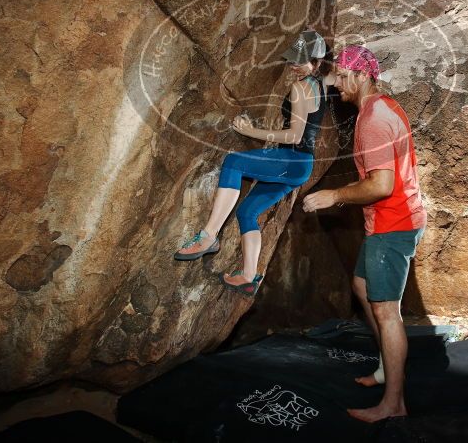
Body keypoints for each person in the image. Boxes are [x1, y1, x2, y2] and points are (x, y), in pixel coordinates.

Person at [302, 45, 427, 423]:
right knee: (361, 286)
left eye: (340, 76)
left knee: (387, 313)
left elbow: (380, 185)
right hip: (391, 221)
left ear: (360, 75)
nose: (336, 84)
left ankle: (394, 405)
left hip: (393, 224)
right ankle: (388, 367)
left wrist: (333, 196)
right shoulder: (384, 106)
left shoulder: (372, 121)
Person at [174, 30, 328, 297]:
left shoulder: (300, 87)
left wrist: (250, 132)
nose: (293, 65)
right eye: (292, 59)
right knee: (247, 212)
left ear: (316, 63)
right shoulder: (320, 84)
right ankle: (248, 276)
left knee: (233, 162)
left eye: (300, 61)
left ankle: (209, 235)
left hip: (292, 160)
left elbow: (294, 135)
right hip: (299, 167)